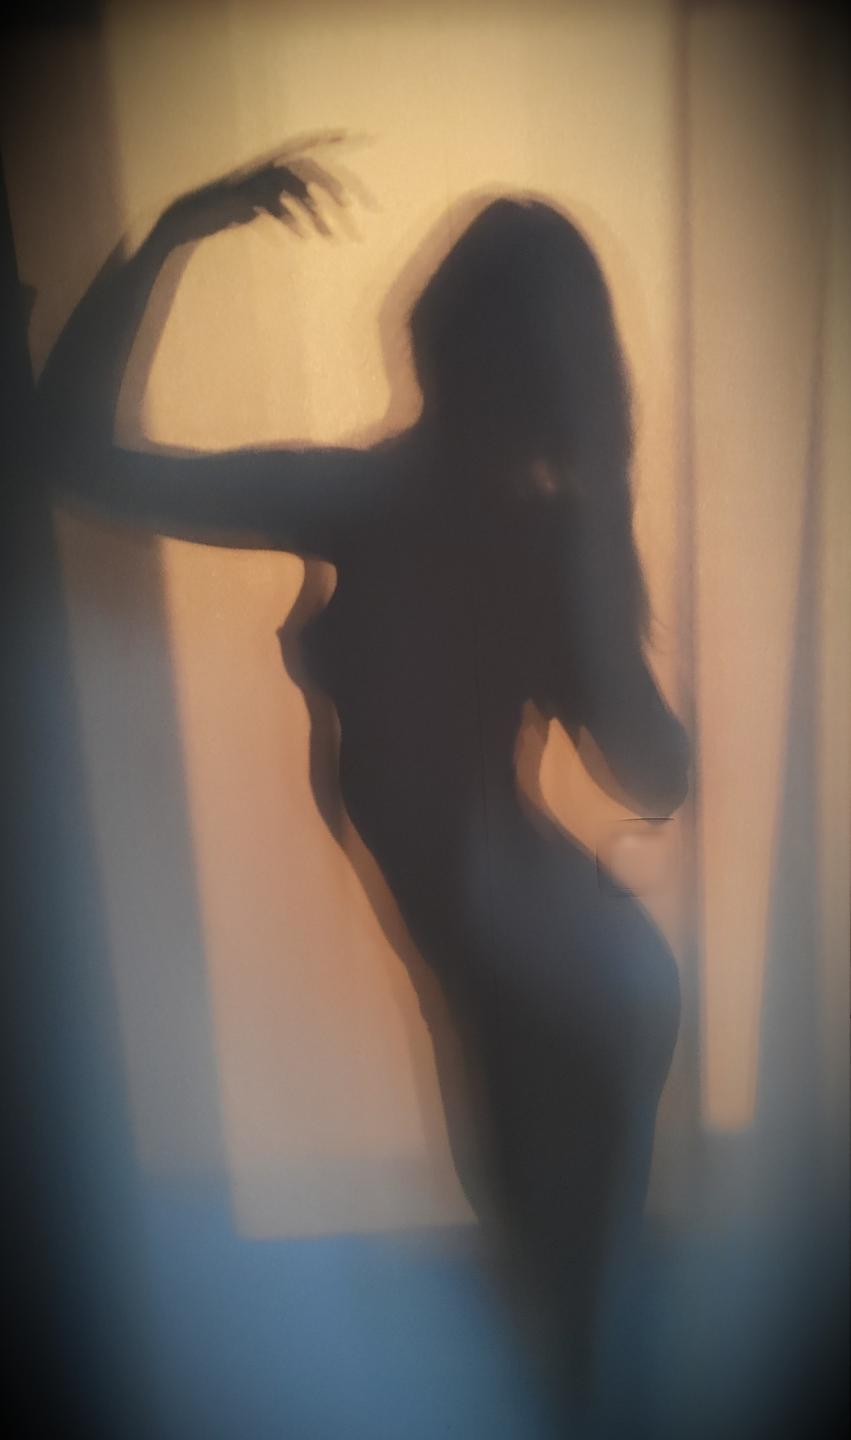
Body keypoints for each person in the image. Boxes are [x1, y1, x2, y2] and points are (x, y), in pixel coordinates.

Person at [38, 143, 690, 1429]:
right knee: (554, 1339)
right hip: (529, 977)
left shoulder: (521, 538)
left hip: (559, 988)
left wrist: (595, 539)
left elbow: (654, 775)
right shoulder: (367, 498)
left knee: (563, 1340)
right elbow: (78, 462)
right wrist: (172, 233)